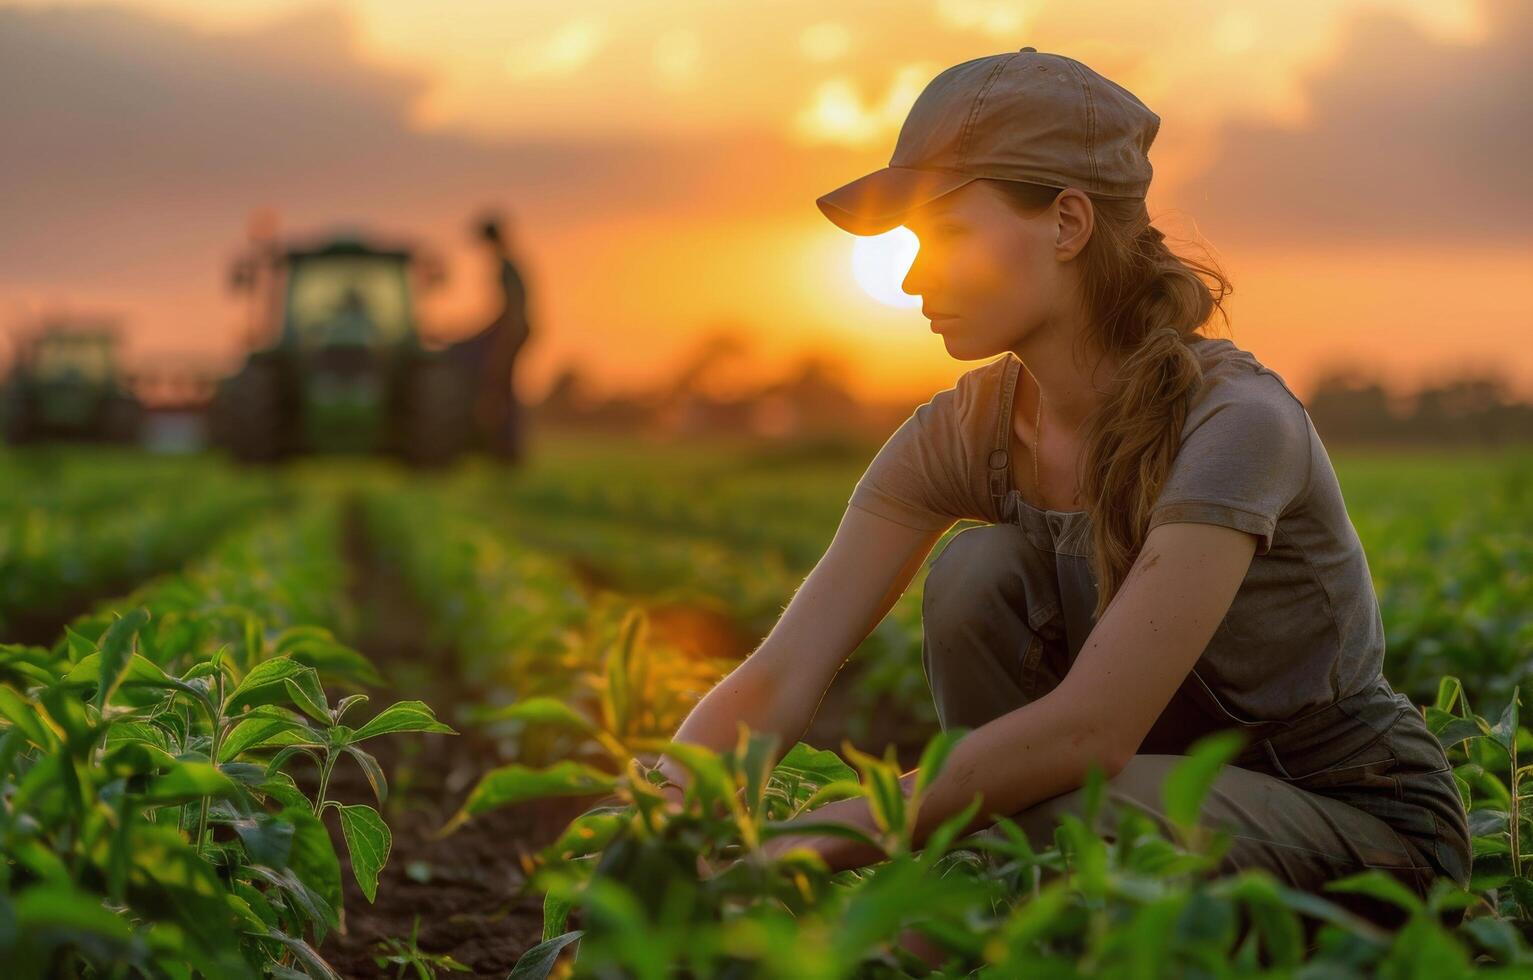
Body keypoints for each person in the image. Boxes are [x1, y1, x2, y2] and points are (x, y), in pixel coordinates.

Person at [651, 47, 1471, 939]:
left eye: (946, 234)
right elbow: (781, 670)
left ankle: (1023, 887)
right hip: (1131, 805)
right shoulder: (963, 430)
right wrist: (660, 831)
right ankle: (1033, 892)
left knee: (1035, 834)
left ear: (1068, 223)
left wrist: (800, 842)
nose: (912, 279)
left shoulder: (1235, 425)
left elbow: (1089, 735)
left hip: (1359, 826)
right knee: (979, 571)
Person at [454, 212, 533, 461]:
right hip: (510, 332)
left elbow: (510, 312)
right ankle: (503, 448)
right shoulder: (509, 265)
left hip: (510, 334)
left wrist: (497, 344)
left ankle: (505, 449)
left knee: (500, 388)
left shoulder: (506, 268)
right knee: (503, 389)